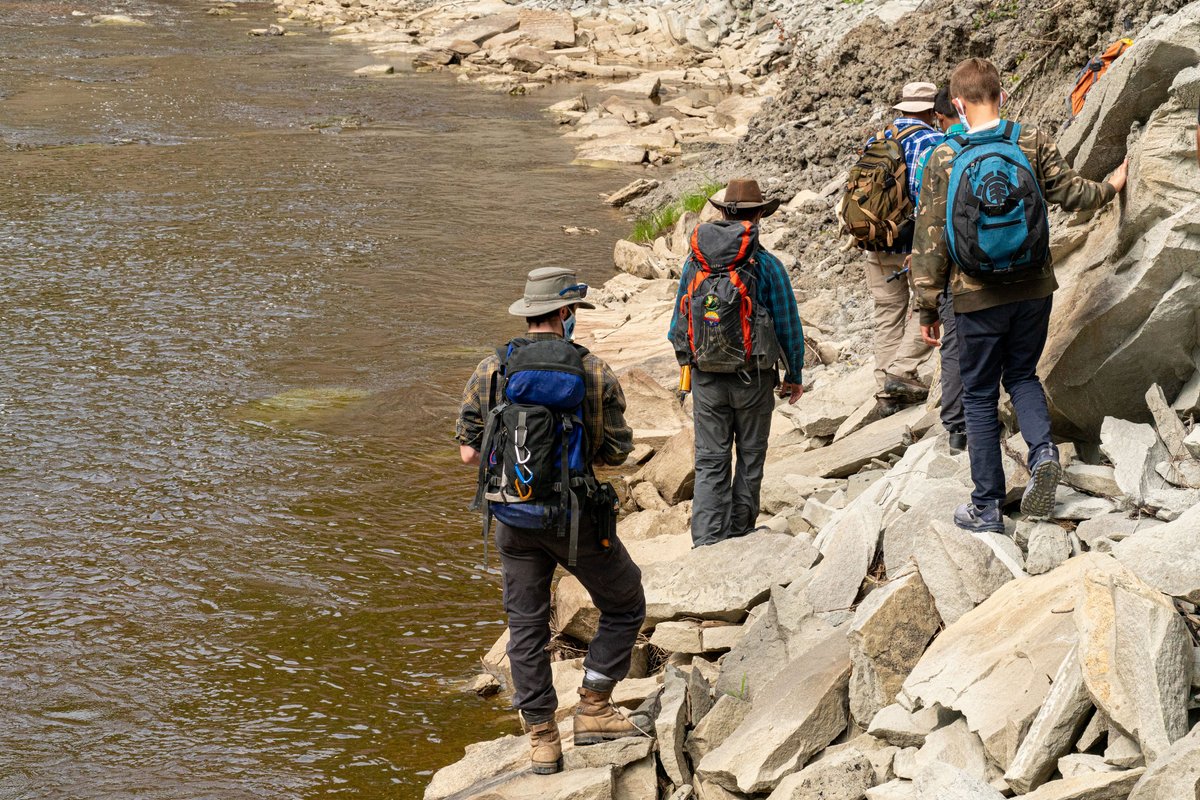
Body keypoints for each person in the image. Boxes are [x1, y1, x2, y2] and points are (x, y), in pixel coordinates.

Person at [912, 57, 1128, 533]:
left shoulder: (944, 157)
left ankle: (986, 506)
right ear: (1002, 96)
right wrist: (1113, 185)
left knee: (980, 395)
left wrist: (926, 306)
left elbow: (930, 240)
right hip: (1034, 287)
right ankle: (1044, 452)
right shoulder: (1029, 139)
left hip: (975, 297)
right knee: (1024, 375)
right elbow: (1073, 194)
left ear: (960, 105)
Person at [456, 267, 644, 774]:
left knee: (525, 627)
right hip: (577, 519)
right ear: (565, 315)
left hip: (512, 519)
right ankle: (594, 707)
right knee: (625, 603)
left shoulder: (491, 369)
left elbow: (468, 456)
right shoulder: (594, 370)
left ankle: (542, 740)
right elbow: (616, 453)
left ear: (528, 313)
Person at [667, 179, 805, 548]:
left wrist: (691, 364)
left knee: (710, 461)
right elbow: (788, 326)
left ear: (724, 212)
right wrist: (794, 375)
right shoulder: (767, 265)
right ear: (758, 216)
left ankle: (706, 543)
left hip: (706, 378)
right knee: (750, 458)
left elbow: (675, 328)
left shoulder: (693, 263)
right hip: (754, 378)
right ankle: (740, 535)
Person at [912, 87, 970, 454]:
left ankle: (958, 429)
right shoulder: (1012, 140)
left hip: (956, 273)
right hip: (1014, 266)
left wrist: (927, 304)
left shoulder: (936, 156)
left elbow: (928, 228)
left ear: (940, 117)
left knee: (955, 348)